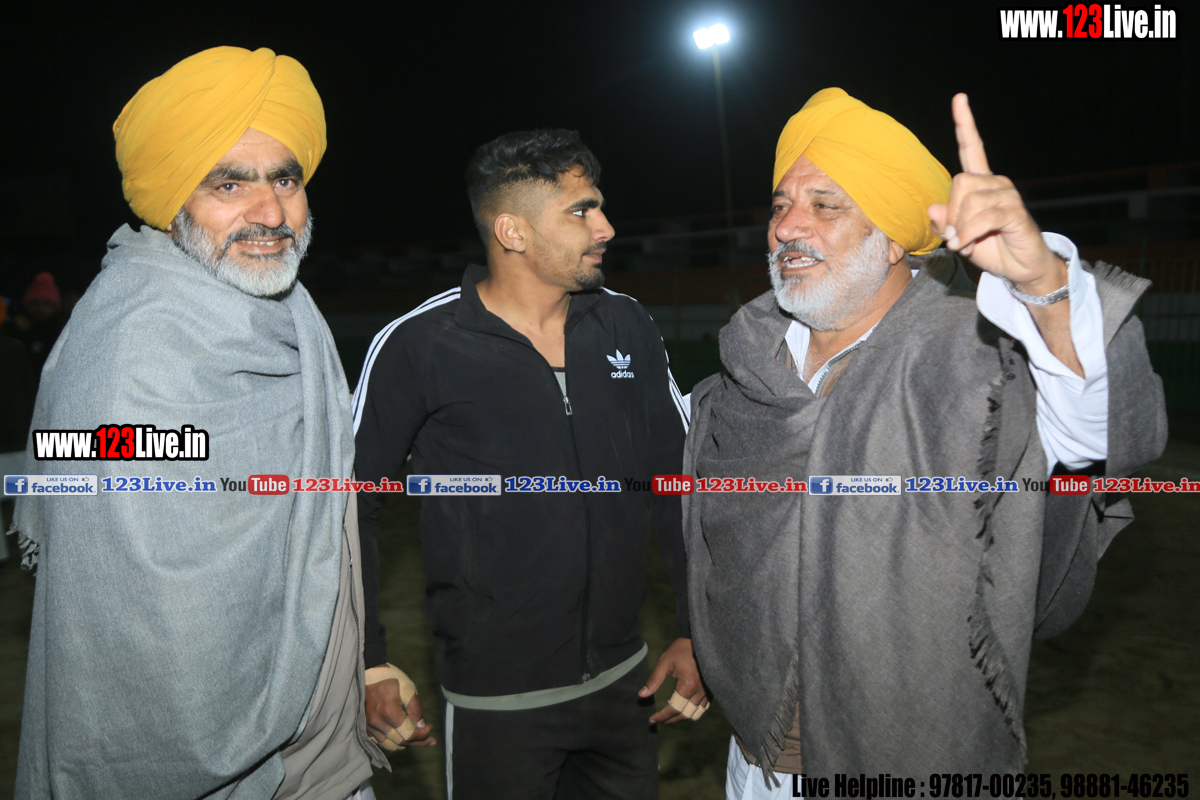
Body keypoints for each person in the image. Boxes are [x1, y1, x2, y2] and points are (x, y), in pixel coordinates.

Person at [682, 88, 1167, 797]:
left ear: (893, 240)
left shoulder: (972, 360)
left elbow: (1095, 434)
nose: (787, 227)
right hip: (756, 763)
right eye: (781, 204)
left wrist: (1044, 286)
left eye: (826, 205)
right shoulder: (745, 372)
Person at [14, 47, 430, 800]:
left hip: (318, 741)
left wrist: (362, 662)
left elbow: (318, 521)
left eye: (286, 180)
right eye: (228, 184)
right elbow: (144, 604)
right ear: (172, 198)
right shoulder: (129, 351)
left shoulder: (285, 314)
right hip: (194, 754)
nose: (270, 213)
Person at [352, 129, 706, 799]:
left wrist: (697, 632)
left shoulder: (627, 326)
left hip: (626, 686)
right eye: (580, 211)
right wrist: (368, 662)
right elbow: (350, 502)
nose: (605, 227)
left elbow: (676, 484)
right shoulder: (419, 345)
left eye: (599, 206)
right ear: (512, 231)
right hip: (497, 704)